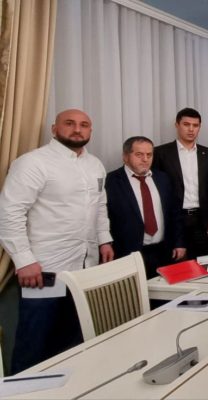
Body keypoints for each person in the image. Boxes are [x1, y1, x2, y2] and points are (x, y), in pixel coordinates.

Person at [0, 109, 114, 373]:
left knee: (74, 341)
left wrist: (104, 240)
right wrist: (23, 260)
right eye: (69, 123)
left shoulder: (95, 165)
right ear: (54, 129)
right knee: (35, 344)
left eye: (84, 125)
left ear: (90, 131)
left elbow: (99, 206)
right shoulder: (33, 163)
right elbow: (9, 212)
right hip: (44, 271)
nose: (77, 129)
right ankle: (24, 391)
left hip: (85, 268)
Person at [106, 136, 186, 279]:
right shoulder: (111, 182)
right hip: (129, 254)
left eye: (149, 155)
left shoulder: (163, 178)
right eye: (139, 154)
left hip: (163, 251)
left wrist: (179, 242)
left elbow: (175, 213)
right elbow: (104, 218)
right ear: (125, 157)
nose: (145, 159)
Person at [153, 108, 208, 259]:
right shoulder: (161, 153)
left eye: (195, 125)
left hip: (201, 219)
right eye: (186, 124)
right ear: (177, 125)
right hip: (174, 219)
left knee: (202, 262)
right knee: (175, 263)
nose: (191, 129)